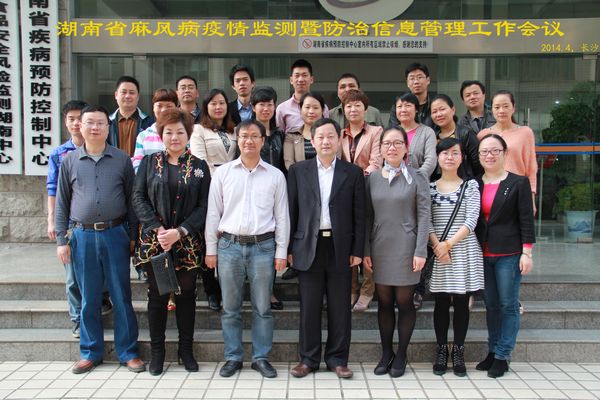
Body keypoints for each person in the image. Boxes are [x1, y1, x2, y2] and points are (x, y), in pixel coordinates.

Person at [55, 105, 144, 374]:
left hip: (115, 234)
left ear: (108, 127)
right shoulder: (69, 161)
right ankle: (90, 352)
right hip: (82, 236)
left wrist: (133, 235)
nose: (95, 127)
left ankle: (128, 352)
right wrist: (61, 240)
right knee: (89, 298)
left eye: (100, 123)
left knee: (121, 295)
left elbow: (132, 201)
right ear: (80, 127)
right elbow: (62, 203)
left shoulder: (121, 160)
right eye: (90, 123)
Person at [205, 120, 290, 379]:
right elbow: (213, 213)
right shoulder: (223, 173)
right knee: (230, 307)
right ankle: (233, 357)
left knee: (262, 307)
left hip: (263, 247)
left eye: (254, 136)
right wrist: (211, 249)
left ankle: (260, 357)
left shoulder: (275, 175)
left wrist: (281, 251)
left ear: (263, 141)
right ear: (237, 140)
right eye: (244, 136)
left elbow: (282, 216)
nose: (249, 141)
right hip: (229, 246)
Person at [132, 108, 210, 375]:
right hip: (156, 242)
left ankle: (185, 351)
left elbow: (204, 206)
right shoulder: (149, 163)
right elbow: (138, 197)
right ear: (160, 134)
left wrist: (181, 231)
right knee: (158, 296)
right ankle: (158, 353)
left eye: (180, 132)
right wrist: (158, 229)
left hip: (187, 242)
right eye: (169, 132)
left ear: (188, 135)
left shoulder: (199, 167)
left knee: (187, 296)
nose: (174, 137)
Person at [288, 118, 365, 380]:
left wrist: (358, 249)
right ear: (312, 140)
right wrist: (288, 248)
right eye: (320, 136)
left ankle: (337, 359)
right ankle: (308, 360)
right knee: (309, 307)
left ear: (339, 139)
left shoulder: (352, 172)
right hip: (307, 246)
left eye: (331, 136)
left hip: (340, 246)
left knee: (340, 306)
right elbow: (291, 211)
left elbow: (360, 215)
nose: (326, 141)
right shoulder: (298, 171)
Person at [363, 127, 430, 378]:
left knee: (404, 302)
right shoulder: (372, 178)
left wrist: (421, 250)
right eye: (387, 143)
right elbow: (367, 217)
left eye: (397, 143)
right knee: (384, 303)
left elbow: (424, 216)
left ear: (406, 148)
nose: (392, 147)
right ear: (380, 148)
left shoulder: (417, 177)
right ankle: (386, 353)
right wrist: (365, 250)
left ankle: (401, 353)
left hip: (407, 248)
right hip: (379, 247)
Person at [47, 100, 113, 338]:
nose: (76, 123)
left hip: (106, 229)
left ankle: (100, 303)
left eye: (79, 118)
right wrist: (53, 222)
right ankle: (78, 320)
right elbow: (55, 192)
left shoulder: (110, 154)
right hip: (74, 228)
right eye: (72, 119)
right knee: (73, 278)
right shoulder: (61, 156)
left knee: (100, 272)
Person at [475, 134, 535, 378]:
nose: (489, 155)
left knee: (508, 305)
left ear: (504, 153)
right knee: (491, 305)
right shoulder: (474, 183)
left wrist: (527, 252)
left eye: (494, 151)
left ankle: (503, 355)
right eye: (484, 151)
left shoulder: (518, 183)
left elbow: (526, 219)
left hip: (509, 253)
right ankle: (492, 350)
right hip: (483, 252)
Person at [428, 138, 484, 377]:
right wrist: (437, 246)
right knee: (440, 302)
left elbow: (472, 220)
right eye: (444, 153)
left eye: (454, 153)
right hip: (438, 250)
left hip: (462, 250)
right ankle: (442, 349)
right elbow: (425, 220)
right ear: (437, 157)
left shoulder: (470, 186)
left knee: (461, 302)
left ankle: (459, 350)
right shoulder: (429, 187)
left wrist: (448, 245)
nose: (449, 157)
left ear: (462, 158)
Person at [392, 92, 437, 310]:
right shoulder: (392, 132)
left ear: (416, 109)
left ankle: (418, 288)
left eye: (408, 105)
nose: (403, 110)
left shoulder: (426, 132)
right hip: (395, 191)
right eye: (399, 106)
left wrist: (414, 178)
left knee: (420, 235)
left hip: (419, 189)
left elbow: (431, 160)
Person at [339, 89, 383, 312]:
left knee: (367, 241)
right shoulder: (339, 134)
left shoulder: (376, 131)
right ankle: (351, 288)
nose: (353, 109)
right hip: (345, 195)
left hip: (368, 190)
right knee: (348, 239)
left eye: (357, 105)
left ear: (365, 109)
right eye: (348, 106)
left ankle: (367, 290)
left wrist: (357, 179)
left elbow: (376, 161)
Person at [252, 86, 286, 310]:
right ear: (254, 107)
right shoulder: (247, 132)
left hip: (276, 190)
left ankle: (269, 289)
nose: (266, 108)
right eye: (261, 104)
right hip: (253, 191)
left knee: (272, 239)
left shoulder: (279, 135)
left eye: (270, 104)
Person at [477, 90, 538, 199]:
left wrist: (531, 197)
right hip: (490, 190)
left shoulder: (525, 132)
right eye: (497, 107)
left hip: (518, 190)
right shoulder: (483, 135)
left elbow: (531, 167)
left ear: (513, 108)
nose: (501, 111)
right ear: (492, 110)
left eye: (506, 106)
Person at [430, 94, 482, 180]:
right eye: (434, 112)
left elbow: (478, 164)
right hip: (438, 184)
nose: (438, 114)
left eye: (442, 109)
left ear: (453, 110)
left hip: (463, 182)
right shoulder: (431, 136)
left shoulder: (465, 134)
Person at [190, 89, 237, 175]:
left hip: (233, 178)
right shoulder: (198, 130)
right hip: (211, 178)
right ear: (206, 107)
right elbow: (200, 160)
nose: (218, 107)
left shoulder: (235, 130)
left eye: (222, 103)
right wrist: (216, 179)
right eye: (213, 104)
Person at [276, 59, 329, 134]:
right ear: (291, 80)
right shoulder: (282, 109)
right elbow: (279, 136)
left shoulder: (322, 107)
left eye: (304, 75)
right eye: (297, 76)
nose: (300, 79)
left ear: (311, 79)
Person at [131, 88, 178, 173]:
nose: (163, 110)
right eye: (159, 106)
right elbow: (137, 166)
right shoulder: (143, 136)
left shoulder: (184, 134)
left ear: (176, 108)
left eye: (169, 106)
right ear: (153, 107)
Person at [108, 75, 154, 157]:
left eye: (132, 93)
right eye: (124, 92)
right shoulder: (107, 122)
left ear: (138, 96)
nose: (127, 96)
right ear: (116, 95)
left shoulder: (149, 123)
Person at [282, 92, 324, 171]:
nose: (311, 111)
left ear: (322, 110)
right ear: (300, 110)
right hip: (300, 177)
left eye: (315, 108)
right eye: (307, 107)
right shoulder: (291, 136)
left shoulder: (330, 135)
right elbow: (289, 164)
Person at [388, 63, 434, 129]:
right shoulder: (399, 107)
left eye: (420, 77)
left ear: (428, 80)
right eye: (412, 78)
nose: (416, 82)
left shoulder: (434, 105)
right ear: (407, 83)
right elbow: (393, 129)